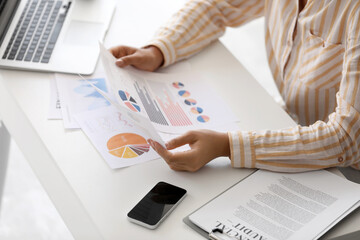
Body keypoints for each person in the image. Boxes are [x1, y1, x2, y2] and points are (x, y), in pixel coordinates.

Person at [110, 0, 360, 172]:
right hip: (292, 123)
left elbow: (347, 139)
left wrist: (227, 146)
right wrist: (158, 50)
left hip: (347, 169)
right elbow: (216, 6)